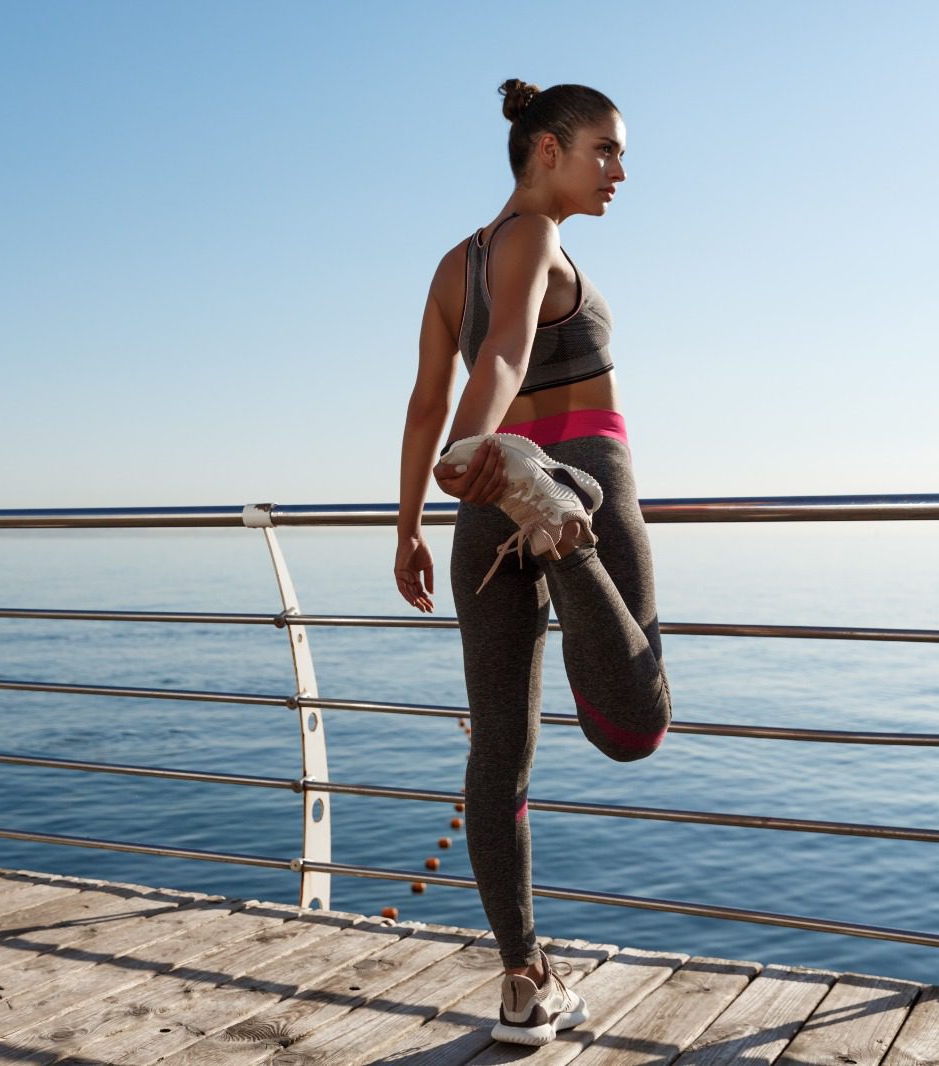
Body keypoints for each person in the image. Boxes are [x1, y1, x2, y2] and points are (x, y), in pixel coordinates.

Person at [393, 79, 673, 1047]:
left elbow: (426, 401)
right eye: (605, 150)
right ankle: (565, 533)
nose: (619, 172)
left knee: (497, 753)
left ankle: (522, 981)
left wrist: (410, 521)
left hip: (482, 512)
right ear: (545, 148)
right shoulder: (535, 236)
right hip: (572, 478)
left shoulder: (445, 267)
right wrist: (485, 452)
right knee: (632, 723)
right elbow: (507, 349)